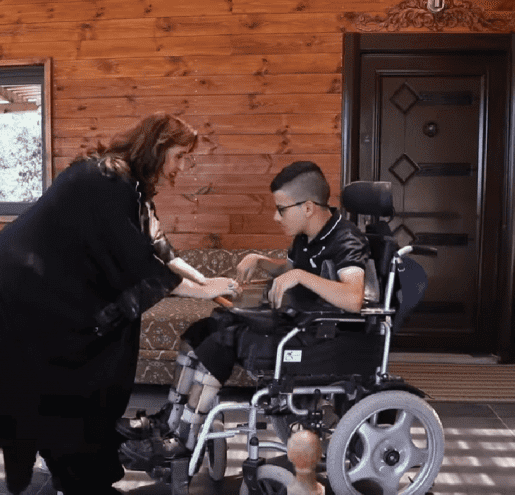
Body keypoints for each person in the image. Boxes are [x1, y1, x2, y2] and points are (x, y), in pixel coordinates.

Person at [0, 112, 239, 495]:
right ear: (158, 148)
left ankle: (72, 463)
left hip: (37, 275)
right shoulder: (107, 180)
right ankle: (75, 471)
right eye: (180, 156)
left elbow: (158, 247)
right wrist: (201, 290)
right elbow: (136, 262)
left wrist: (206, 283)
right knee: (62, 369)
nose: (182, 166)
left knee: (66, 368)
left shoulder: (130, 184)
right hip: (23, 277)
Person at [118, 160, 371, 467]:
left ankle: (184, 441)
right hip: (297, 326)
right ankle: (169, 421)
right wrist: (262, 260)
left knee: (221, 340)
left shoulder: (346, 239)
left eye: (281, 209)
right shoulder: (307, 236)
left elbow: (353, 297)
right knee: (201, 330)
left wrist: (300, 277)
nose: (275, 217)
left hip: (322, 340)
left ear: (307, 207)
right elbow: (293, 270)